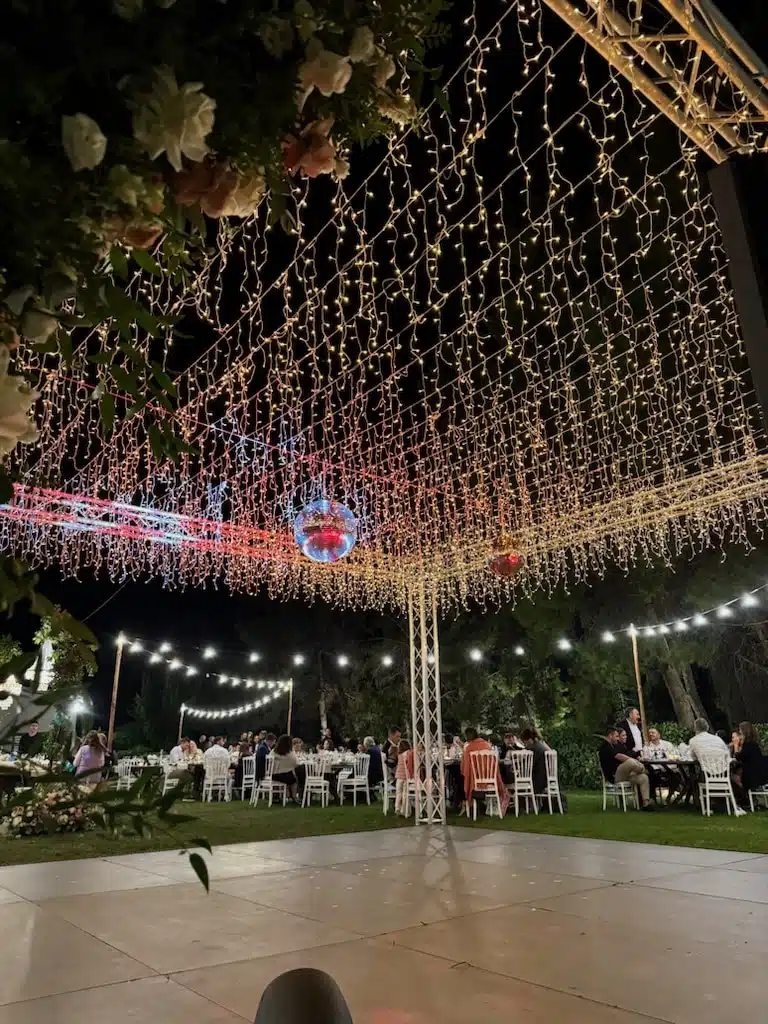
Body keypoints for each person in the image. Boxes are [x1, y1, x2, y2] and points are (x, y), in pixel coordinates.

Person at [598, 726, 653, 810]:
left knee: (643, 777)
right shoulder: (605, 746)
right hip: (614, 776)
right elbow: (619, 756)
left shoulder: (614, 745)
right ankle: (643, 769)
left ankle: (646, 803)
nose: (618, 739)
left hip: (624, 774)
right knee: (630, 762)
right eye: (616, 736)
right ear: (610, 736)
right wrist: (637, 763)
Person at [460, 727, 509, 816]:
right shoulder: (487, 745)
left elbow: (465, 767)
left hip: (476, 779)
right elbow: (493, 764)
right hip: (490, 778)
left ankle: (465, 805)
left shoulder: (469, 748)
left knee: (461, 779)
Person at [733, 722, 768, 795]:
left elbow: (739, 757)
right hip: (759, 775)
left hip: (753, 777)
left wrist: (736, 745)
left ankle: (743, 799)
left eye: (740, 732)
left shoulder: (749, 744)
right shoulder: (754, 744)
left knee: (733, 777)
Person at [272, 734, 299, 802]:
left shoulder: (274, 751)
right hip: (283, 775)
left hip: (273, 775)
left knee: (290, 774)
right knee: (294, 780)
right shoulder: (289, 753)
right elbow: (295, 763)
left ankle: (279, 795)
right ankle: (294, 796)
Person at [520, 727, 547, 796]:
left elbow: (527, 769)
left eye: (525, 742)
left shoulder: (533, 750)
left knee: (516, 784)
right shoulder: (541, 746)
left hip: (537, 784)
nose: (525, 745)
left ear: (529, 740)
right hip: (546, 781)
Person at [394, 739, 414, 815]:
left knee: (398, 793)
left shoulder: (399, 755)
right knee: (405, 793)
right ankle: (404, 810)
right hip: (406, 777)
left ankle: (397, 807)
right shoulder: (409, 753)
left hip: (398, 777)